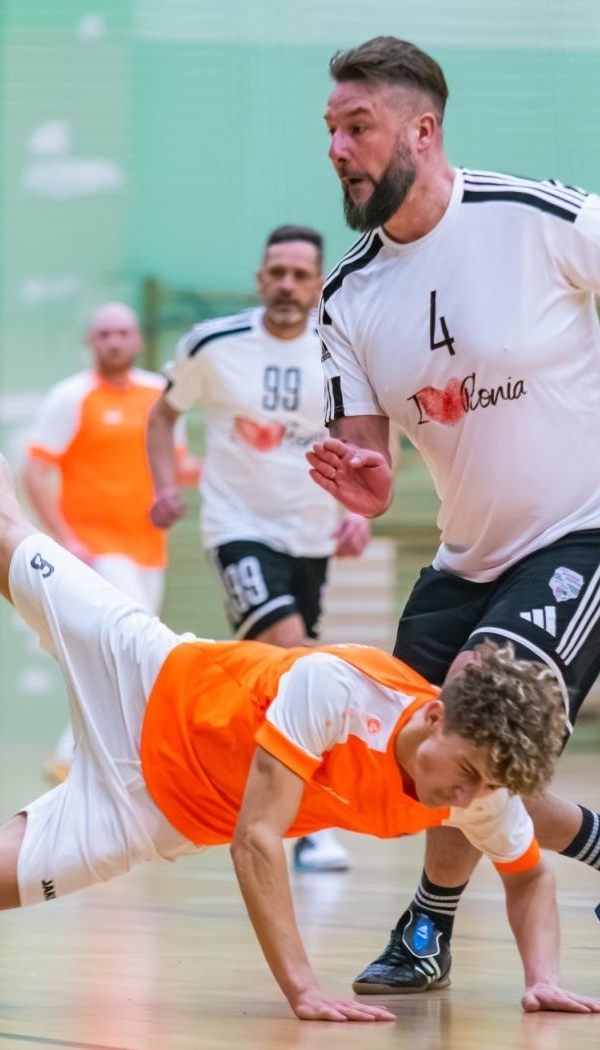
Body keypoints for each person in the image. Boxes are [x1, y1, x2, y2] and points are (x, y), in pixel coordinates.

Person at [0, 270, 600, 1023]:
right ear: (438, 713)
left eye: (479, 787)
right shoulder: (339, 687)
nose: (462, 798)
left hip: (143, 812)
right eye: (467, 772)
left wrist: (541, 975)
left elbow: (527, 874)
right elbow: (256, 839)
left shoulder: (480, 786)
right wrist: (302, 988)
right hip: (148, 672)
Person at [307, 37, 600, 992]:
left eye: (357, 127)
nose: (337, 149)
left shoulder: (531, 214)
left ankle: (427, 925)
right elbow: (374, 470)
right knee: (416, 749)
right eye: (329, 130)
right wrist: (361, 482)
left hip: (595, 520)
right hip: (470, 554)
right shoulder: (347, 297)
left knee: (470, 712)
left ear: (423, 130)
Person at [147, 224, 371, 874]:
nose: (287, 285)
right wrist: (165, 486)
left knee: (284, 677)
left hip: (311, 534)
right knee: (300, 657)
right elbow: (162, 414)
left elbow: (363, 438)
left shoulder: (343, 348)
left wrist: (358, 512)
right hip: (237, 527)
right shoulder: (212, 344)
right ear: (259, 278)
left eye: (301, 275)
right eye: (277, 273)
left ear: (319, 282)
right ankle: (316, 825)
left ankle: (271, 808)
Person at [20, 303, 189, 776]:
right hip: (98, 552)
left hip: (149, 551)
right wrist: (67, 539)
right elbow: (34, 473)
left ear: (137, 340)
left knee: (123, 655)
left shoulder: (160, 395)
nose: (114, 342)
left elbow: (176, 467)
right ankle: (87, 758)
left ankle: (74, 757)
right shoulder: (70, 397)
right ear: (90, 342)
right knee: (134, 647)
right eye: (104, 334)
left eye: (122, 333)